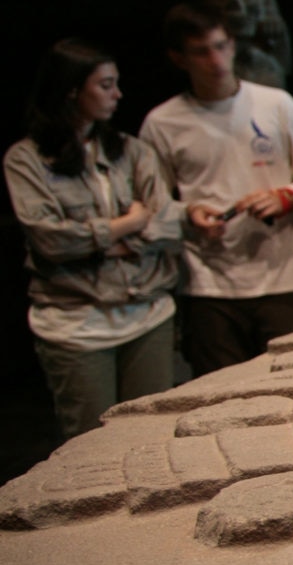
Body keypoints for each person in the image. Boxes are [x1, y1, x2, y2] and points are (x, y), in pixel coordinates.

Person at [140, 2, 293, 376]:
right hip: (209, 284)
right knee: (221, 393)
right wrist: (188, 213)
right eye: (201, 51)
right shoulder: (162, 123)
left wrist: (285, 196)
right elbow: (153, 204)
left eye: (221, 45)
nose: (216, 60)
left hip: (280, 275)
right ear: (179, 59)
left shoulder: (275, 104)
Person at [6, 40, 181, 439]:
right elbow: (50, 241)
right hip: (78, 325)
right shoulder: (27, 159)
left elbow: (167, 224)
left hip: (146, 312)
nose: (117, 94)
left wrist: (102, 240)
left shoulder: (133, 151)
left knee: (153, 437)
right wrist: (124, 226)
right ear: (71, 90)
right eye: (105, 85)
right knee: (93, 443)